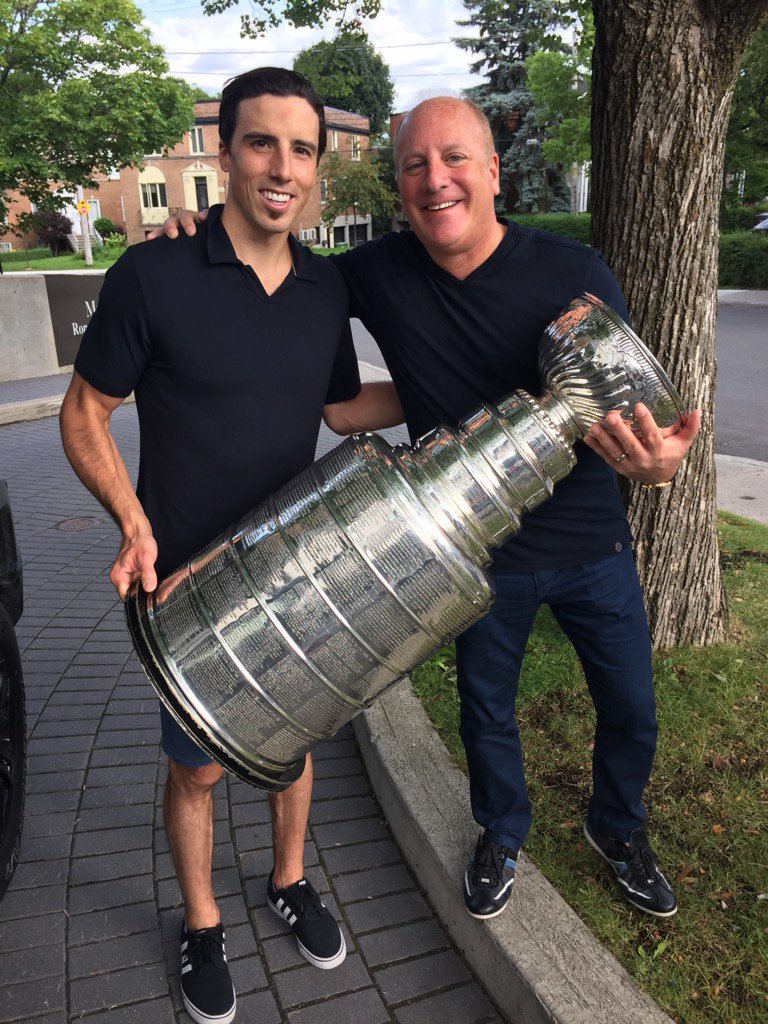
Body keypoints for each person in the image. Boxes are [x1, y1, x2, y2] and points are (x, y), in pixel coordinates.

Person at [158, 96, 700, 924]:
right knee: (486, 711)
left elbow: (629, 406)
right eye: (413, 165)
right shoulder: (374, 270)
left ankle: (619, 829)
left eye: (453, 160)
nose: (433, 179)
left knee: (631, 704)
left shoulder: (573, 272)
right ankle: (500, 834)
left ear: (491, 173)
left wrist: (661, 462)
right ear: (399, 184)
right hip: (475, 554)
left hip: (592, 543)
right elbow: (274, 271)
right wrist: (194, 241)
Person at [59, 67, 403, 1024]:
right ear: (226, 151)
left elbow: (339, 407)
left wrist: (448, 390)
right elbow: (85, 412)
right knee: (199, 768)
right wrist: (132, 520)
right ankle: (203, 924)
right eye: (262, 143)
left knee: (291, 751)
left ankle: (289, 880)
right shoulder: (155, 272)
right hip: (187, 588)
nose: (282, 166)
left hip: (297, 575)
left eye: (301, 149)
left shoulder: (325, 285)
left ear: (317, 169)